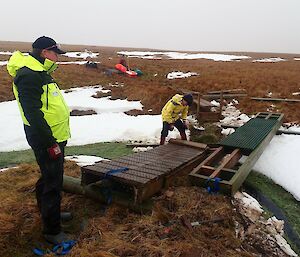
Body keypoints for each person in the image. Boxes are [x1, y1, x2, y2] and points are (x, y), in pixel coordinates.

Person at [7, 36, 72, 244]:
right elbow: (33, 114)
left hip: (55, 135)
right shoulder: (30, 75)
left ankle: (48, 212)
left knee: (49, 177)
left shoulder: (41, 71)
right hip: (47, 138)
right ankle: (52, 231)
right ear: (45, 52)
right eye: (55, 54)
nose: (57, 58)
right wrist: (50, 143)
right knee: (53, 181)